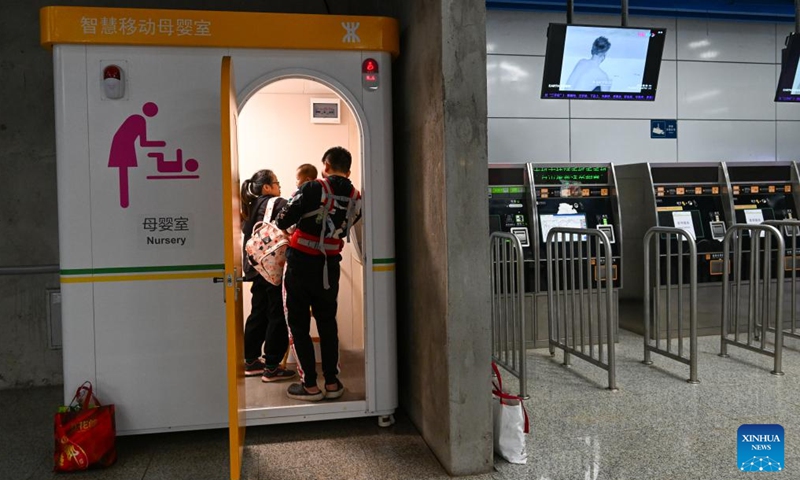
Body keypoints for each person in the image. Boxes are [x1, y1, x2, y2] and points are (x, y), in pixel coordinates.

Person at [275, 147, 361, 401]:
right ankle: (333, 383)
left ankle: (310, 385)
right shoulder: (356, 196)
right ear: (348, 169)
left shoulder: (312, 188)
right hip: (330, 266)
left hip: (300, 264)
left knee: (298, 324)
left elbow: (282, 220)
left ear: (325, 165)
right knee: (327, 322)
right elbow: (348, 226)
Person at [240, 170, 296, 383]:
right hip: (272, 268)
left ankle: (251, 361)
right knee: (277, 313)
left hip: (254, 267)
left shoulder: (250, 206)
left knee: (258, 311)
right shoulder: (277, 203)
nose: (279, 186)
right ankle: (272, 366)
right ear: (266, 187)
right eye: (276, 183)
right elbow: (291, 227)